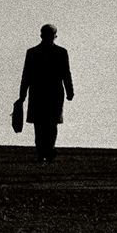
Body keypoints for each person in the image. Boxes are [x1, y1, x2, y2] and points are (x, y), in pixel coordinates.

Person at [17, 24, 74, 162]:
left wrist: (22, 95)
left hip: (42, 92)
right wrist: (70, 91)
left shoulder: (34, 52)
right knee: (47, 124)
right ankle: (46, 150)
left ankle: (45, 151)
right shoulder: (59, 52)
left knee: (44, 124)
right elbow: (66, 73)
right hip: (48, 93)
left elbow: (26, 75)